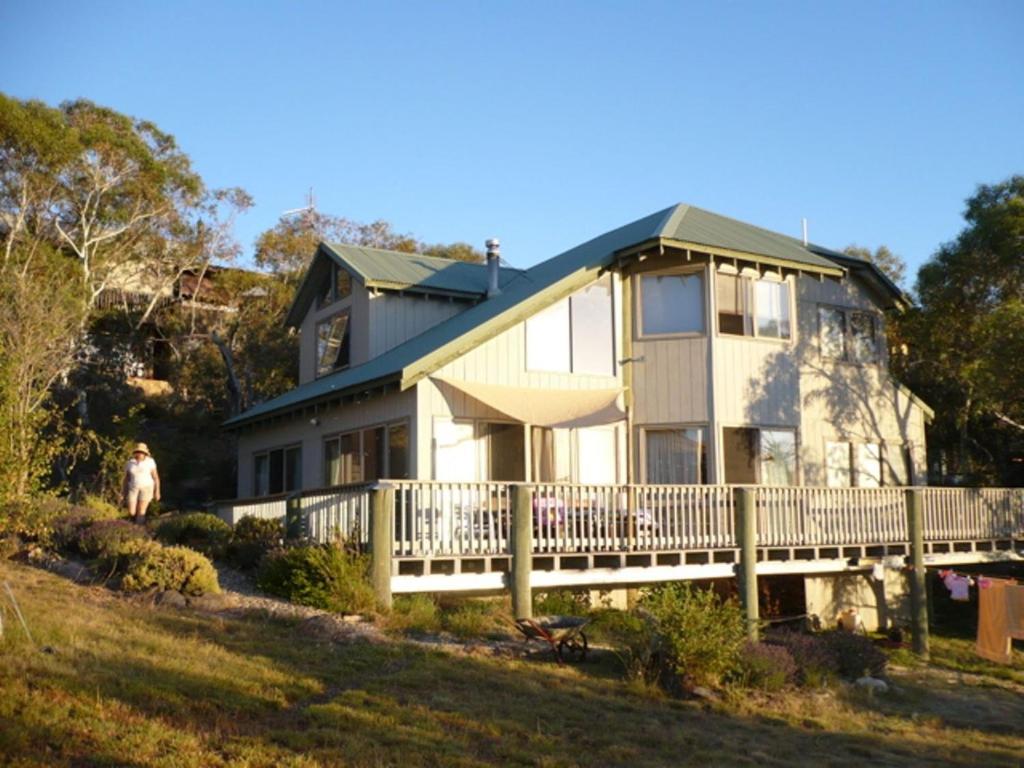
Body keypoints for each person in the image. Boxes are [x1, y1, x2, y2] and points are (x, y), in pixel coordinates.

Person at [122, 442, 160, 524]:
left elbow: (156, 477)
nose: (139, 454)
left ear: (145, 454)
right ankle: (134, 524)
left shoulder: (150, 462)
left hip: (147, 487)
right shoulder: (130, 463)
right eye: (138, 452)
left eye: (141, 452)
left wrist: (157, 491)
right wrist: (124, 492)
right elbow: (126, 479)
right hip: (133, 488)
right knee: (132, 512)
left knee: (141, 512)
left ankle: (139, 529)